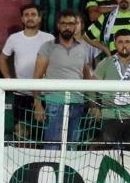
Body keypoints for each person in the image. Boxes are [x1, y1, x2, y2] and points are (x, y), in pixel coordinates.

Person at [33, 9, 92, 149]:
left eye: (71, 24)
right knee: (52, 146)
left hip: (77, 102)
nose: (67, 27)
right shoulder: (47, 47)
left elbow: (87, 76)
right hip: (55, 102)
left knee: (72, 146)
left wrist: (91, 102)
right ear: (58, 25)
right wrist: (38, 105)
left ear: (76, 26)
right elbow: (37, 77)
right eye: (64, 23)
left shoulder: (83, 48)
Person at [0, 4, 54, 137]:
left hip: (43, 93)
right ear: (22, 19)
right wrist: (8, 79)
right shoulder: (14, 38)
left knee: (41, 133)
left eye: (33, 15)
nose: (30, 18)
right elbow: (1, 59)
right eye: (26, 15)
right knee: (21, 133)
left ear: (39, 18)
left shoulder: (49, 38)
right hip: (21, 93)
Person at [93, 29, 130, 148]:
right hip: (109, 116)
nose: (124, 45)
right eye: (120, 42)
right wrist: (95, 107)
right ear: (115, 44)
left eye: (127, 42)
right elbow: (91, 86)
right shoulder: (105, 63)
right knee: (107, 153)